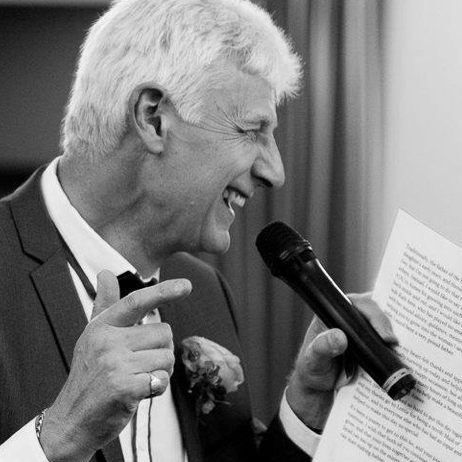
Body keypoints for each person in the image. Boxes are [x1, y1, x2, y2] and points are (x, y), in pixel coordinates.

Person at [0, 0, 396, 461]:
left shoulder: (204, 291)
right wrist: (60, 437)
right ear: (153, 119)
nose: (275, 171)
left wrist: (306, 405)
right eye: (251, 131)